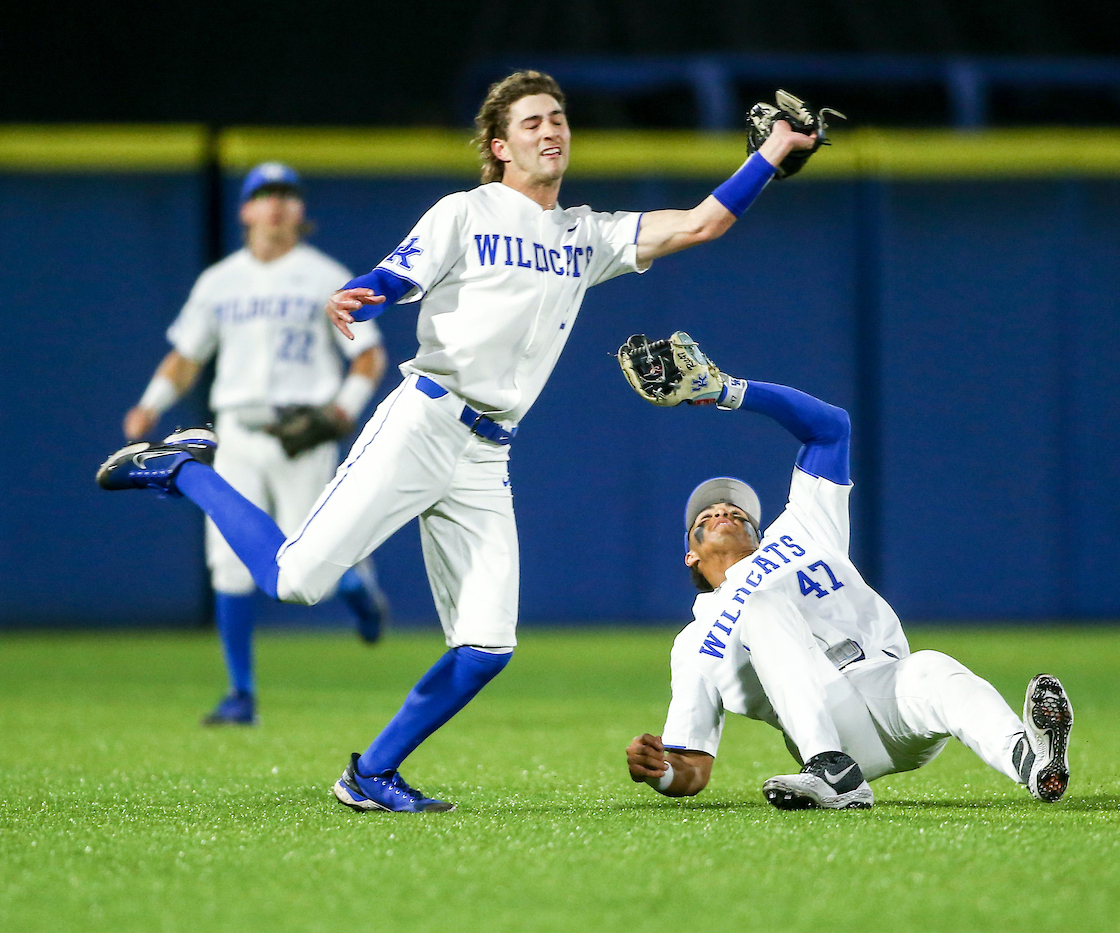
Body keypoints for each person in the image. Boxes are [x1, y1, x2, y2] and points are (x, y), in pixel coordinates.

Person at [97, 70, 821, 812]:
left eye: (559, 118)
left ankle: (370, 774)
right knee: (294, 580)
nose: (551, 130)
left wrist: (772, 153)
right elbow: (396, 273)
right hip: (423, 421)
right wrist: (366, 290)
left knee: (487, 646)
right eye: (533, 122)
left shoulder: (585, 234)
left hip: (486, 452)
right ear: (499, 145)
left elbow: (702, 221)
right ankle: (186, 469)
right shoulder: (465, 211)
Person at [623, 367, 1073, 810]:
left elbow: (830, 428)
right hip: (833, 729)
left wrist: (727, 389)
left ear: (758, 533)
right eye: (705, 515)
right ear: (690, 555)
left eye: (737, 509)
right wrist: (660, 771)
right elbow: (692, 763)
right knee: (759, 608)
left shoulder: (802, 532)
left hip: (888, 685)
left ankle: (1031, 762)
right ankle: (829, 767)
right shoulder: (694, 641)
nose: (723, 508)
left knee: (934, 668)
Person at [121, 162, 389, 726]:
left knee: (314, 557)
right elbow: (187, 356)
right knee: (229, 565)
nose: (276, 204)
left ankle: (358, 590)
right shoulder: (220, 282)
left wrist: (343, 409)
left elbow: (368, 353)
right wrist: (150, 403)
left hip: (301, 434)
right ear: (245, 210)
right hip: (235, 435)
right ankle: (240, 695)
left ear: (299, 210)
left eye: (287, 195)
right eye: (265, 194)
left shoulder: (325, 276)